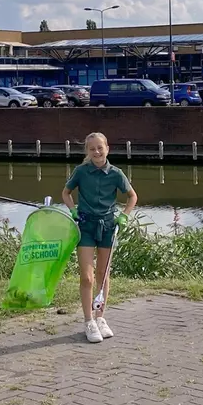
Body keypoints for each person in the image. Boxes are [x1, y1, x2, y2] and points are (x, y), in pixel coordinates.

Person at [61, 132, 138, 343]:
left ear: (107, 148)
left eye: (100, 148)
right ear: (87, 151)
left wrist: (123, 216)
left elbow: (132, 196)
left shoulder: (115, 174)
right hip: (86, 226)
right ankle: (88, 321)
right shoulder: (81, 172)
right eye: (92, 148)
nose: (96, 152)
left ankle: (100, 317)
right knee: (87, 277)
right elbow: (66, 193)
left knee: (103, 275)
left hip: (107, 227)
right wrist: (73, 210)